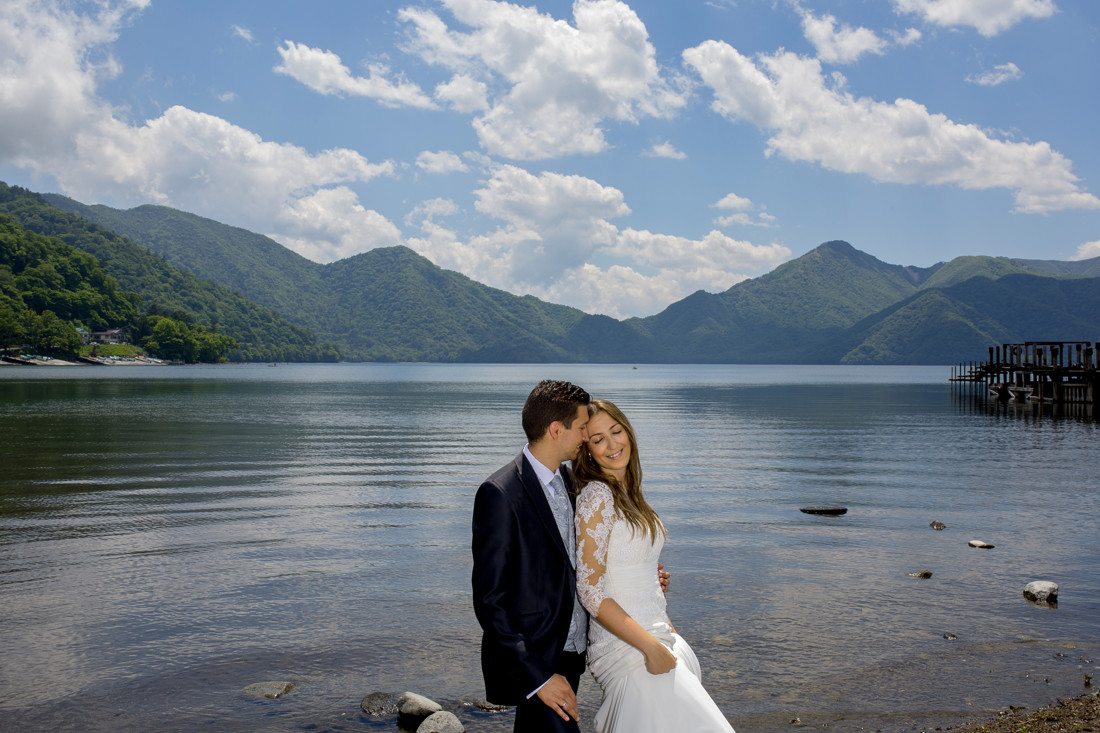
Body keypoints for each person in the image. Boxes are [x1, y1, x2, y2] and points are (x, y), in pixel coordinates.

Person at [574, 399, 735, 733]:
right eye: (598, 439)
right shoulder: (597, 496)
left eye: (616, 431)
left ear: (628, 432)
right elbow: (590, 591)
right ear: (586, 450)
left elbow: (635, 570)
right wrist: (649, 647)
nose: (612, 444)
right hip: (631, 649)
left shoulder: (629, 492)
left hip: (662, 635)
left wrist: (668, 630)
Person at [471, 379, 593, 732]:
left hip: (573, 652)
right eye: (582, 427)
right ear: (557, 429)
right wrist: (539, 676)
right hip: (537, 660)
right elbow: (490, 600)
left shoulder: (571, 481)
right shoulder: (499, 493)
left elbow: (578, 561)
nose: (586, 436)